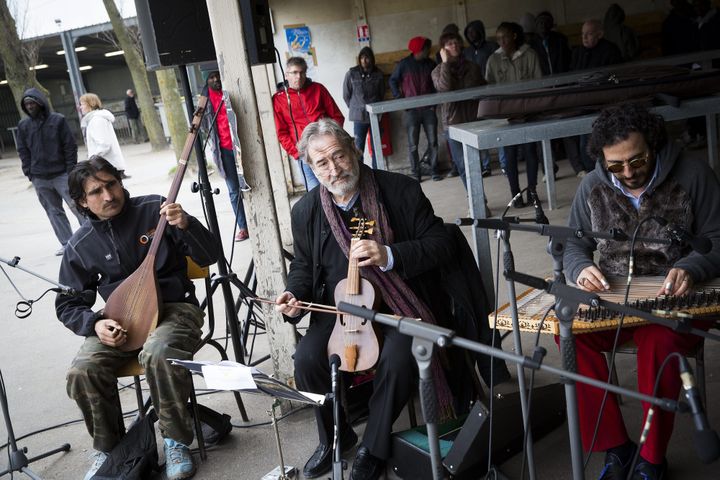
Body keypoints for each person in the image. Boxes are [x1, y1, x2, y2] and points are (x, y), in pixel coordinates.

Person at [275, 118, 508, 480]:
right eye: (322, 163)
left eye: (339, 156)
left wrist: (390, 254)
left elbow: (442, 244)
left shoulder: (400, 190)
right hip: (343, 312)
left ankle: (374, 445)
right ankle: (336, 437)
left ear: (354, 150)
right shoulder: (306, 211)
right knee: (307, 360)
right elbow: (305, 267)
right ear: (310, 166)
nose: (334, 169)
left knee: (400, 357)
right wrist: (295, 294)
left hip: (402, 306)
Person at [563, 104, 720, 480]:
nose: (628, 173)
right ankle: (616, 449)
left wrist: (691, 267)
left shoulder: (693, 173)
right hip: (615, 296)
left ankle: (652, 460)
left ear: (654, 145)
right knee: (568, 334)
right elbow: (572, 245)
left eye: (638, 160)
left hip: (677, 296)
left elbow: (717, 239)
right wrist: (580, 267)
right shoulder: (591, 185)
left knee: (658, 344)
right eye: (616, 166)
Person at [57, 156, 219, 480]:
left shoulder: (155, 211)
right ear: (81, 202)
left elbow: (209, 255)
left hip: (175, 310)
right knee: (82, 370)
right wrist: (95, 324)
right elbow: (68, 304)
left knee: (158, 352)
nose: (108, 196)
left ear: (120, 181)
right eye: (95, 192)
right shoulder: (80, 245)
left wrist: (187, 224)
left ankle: (175, 440)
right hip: (121, 321)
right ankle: (112, 451)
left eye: (111, 184)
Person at [17, 87, 82, 256]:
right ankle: (67, 243)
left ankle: (90, 237)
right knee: (54, 212)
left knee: (78, 206)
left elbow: (70, 145)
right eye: (27, 104)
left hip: (62, 174)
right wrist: (29, 172)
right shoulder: (23, 125)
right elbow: (23, 150)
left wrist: (70, 170)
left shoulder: (57, 120)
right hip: (39, 178)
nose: (30, 106)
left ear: (40, 103)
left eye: (32, 103)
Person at [485, 22, 543, 208]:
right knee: (509, 155)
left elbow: (539, 82)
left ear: (515, 36)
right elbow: (489, 87)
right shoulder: (493, 60)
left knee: (530, 152)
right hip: (505, 115)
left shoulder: (530, 55)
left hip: (528, 112)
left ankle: (532, 192)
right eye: (498, 38)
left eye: (505, 37)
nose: (501, 41)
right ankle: (515, 194)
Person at [272, 56, 345, 191]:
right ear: (286, 75)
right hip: (304, 155)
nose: (298, 77)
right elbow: (281, 132)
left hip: (327, 148)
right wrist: (296, 152)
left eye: (301, 72)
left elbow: (337, 117)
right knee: (315, 193)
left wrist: (333, 140)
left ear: (306, 73)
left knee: (338, 187)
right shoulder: (279, 99)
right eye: (294, 73)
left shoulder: (318, 89)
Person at [201, 68, 250, 242]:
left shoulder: (229, 93)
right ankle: (243, 227)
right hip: (223, 151)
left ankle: (254, 221)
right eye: (211, 78)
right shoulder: (205, 100)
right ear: (207, 82)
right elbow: (203, 126)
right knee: (233, 190)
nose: (215, 80)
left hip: (240, 146)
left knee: (249, 185)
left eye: (217, 77)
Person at [568, 19, 623, 175]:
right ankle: (589, 171)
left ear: (600, 34)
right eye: (582, 34)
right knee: (584, 142)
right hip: (583, 103)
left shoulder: (610, 50)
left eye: (589, 34)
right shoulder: (578, 52)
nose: (584, 37)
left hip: (605, 103)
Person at [431, 31, 485, 188]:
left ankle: (479, 198)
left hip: (473, 120)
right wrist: (446, 63)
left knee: (475, 164)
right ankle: (473, 197)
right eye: (449, 44)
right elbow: (445, 88)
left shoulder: (473, 67)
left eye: (456, 42)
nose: (454, 45)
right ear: (443, 49)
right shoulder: (437, 71)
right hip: (452, 123)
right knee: (461, 164)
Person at [389, 36, 442, 182]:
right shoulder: (404, 65)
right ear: (419, 49)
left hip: (428, 110)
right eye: (425, 48)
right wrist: (400, 99)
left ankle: (434, 170)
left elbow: (437, 83)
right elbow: (392, 80)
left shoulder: (430, 64)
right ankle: (416, 173)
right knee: (413, 145)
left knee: (433, 142)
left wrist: (434, 104)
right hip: (411, 111)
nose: (428, 51)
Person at [462, 19, 501, 177]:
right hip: (473, 98)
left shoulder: (491, 47)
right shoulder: (467, 52)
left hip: (491, 92)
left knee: (499, 126)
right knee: (478, 131)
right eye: (468, 32)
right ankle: (485, 165)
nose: (471, 35)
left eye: (474, 31)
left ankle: (504, 162)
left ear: (480, 31)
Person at [342, 46, 385, 169]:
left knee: (376, 145)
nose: (365, 60)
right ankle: (360, 173)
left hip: (375, 115)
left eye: (367, 57)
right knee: (358, 146)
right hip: (359, 117)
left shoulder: (378, 74)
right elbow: (346, 94)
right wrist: (355, 108)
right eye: (362, 57)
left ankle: (377, 172)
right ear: (359, 59)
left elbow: (381, 94)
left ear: (372, 59)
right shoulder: (351, 73)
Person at [80, 93, 128, 177]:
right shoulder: (97, 118)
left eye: (82, 104)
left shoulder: (96, 120)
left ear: (91, 104)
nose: (80, 107)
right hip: (108, 165)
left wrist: (93, 157)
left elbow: (104, 143)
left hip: (106, 166)